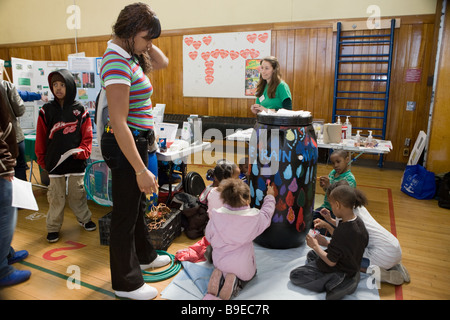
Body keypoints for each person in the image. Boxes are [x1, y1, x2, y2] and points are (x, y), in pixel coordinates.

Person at [99, 3, 170, 300]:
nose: (150, 46)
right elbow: (117, 122)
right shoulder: (115, 60)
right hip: (125, 143)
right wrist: (140, 169)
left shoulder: (127, 52)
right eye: (146, 38)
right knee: (124, 215)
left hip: (137, 140)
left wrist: (146, 39)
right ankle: (125, 283)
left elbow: (163, 62)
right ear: (128, 33)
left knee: (136, 206)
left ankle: (144, 255)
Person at [35, 69, 96, 243]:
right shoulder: (46, 110)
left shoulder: (80, 109)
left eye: (62, 84)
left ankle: (85, 219)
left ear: (69, 86)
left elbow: (87, 135)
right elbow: (41, 137)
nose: (59, 88)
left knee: (78, 194)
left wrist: (84, 152)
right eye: (55, 85)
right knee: (56, 197)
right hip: (54, 164)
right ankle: (53, 227)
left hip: (76, 162)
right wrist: (42, 159)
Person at [315, 181, 410, 285]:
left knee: (345, 262)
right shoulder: (356, 208)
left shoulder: (349, 221)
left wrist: (324, 238)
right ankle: (394, 264)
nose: (331, 206)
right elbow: (342, 230)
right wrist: (329, 220)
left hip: (383, 254)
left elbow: (341, 242)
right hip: (394, 247)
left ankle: (379, 272)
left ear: (338, 203)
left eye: (331, 203)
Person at [290, 184, 369, 300]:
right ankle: (351, 275)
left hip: (340, 268)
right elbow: (349, 244)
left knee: (296, 275)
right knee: (311, 255)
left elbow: (331, 262)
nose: (331, 207)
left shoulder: (342, 231)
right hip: (352, 265)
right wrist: (329, 240)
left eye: (331, 204)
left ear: (337, 205)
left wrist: (315, 246)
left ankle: (338, 281)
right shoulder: (358, 222)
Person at [205, 179, 275, 300]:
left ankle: (220, 275)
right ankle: (236, 282)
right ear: (248, 200)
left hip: (219, 262)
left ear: (224, 199)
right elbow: (267, 214)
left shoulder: (216, 215)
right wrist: (270, 197)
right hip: (242, 267)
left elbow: (208, 236)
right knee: (251, 274)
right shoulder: (254, 218)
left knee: (218, 259)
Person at [0, 91, 31, 287]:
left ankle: (7, 253)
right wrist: (5, 165)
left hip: (6, 161)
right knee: (5, 216)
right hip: (1, 168)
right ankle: (2, 269)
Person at [314, 149, 356, 233]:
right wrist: (325, 186)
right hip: (326, 207)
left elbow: (342, 199)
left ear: (347, 160)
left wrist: (329, 186)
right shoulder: (333, 173)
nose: (335, 165)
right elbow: (327, 192)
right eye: (333, 163)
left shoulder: (350, 179)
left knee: (324, 229)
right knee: (309, 219)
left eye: (338, 161)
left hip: (337, 213)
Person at [0, 80, 27, 181]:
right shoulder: (6, 85)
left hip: (7, 138)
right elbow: (20, 110)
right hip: (14, 136)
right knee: (20, 169)